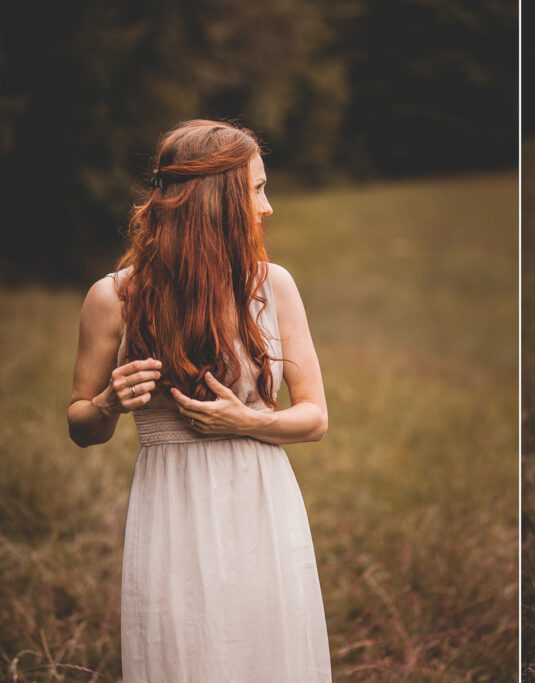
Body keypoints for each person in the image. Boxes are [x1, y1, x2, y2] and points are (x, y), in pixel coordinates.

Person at [67, 120, 332, 682]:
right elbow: (80, 424)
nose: (267, 207)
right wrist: (111, 403)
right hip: (171, 507)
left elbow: (314, 418)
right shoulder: (112, 298)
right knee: (185, 654)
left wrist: (247, 420)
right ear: (218, 200)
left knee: (266, 651)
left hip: (261, 500)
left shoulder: (272, 286)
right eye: (256, 190)